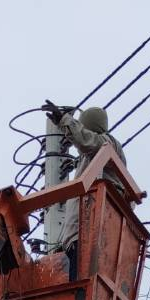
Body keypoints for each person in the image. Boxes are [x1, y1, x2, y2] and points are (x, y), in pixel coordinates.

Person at [53, 105, 128, 280]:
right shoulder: (87, 161)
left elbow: (87, 140)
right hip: (77, 238)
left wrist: (65, 122)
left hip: (91, 234)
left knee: (81, 290)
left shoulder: (108, 144)